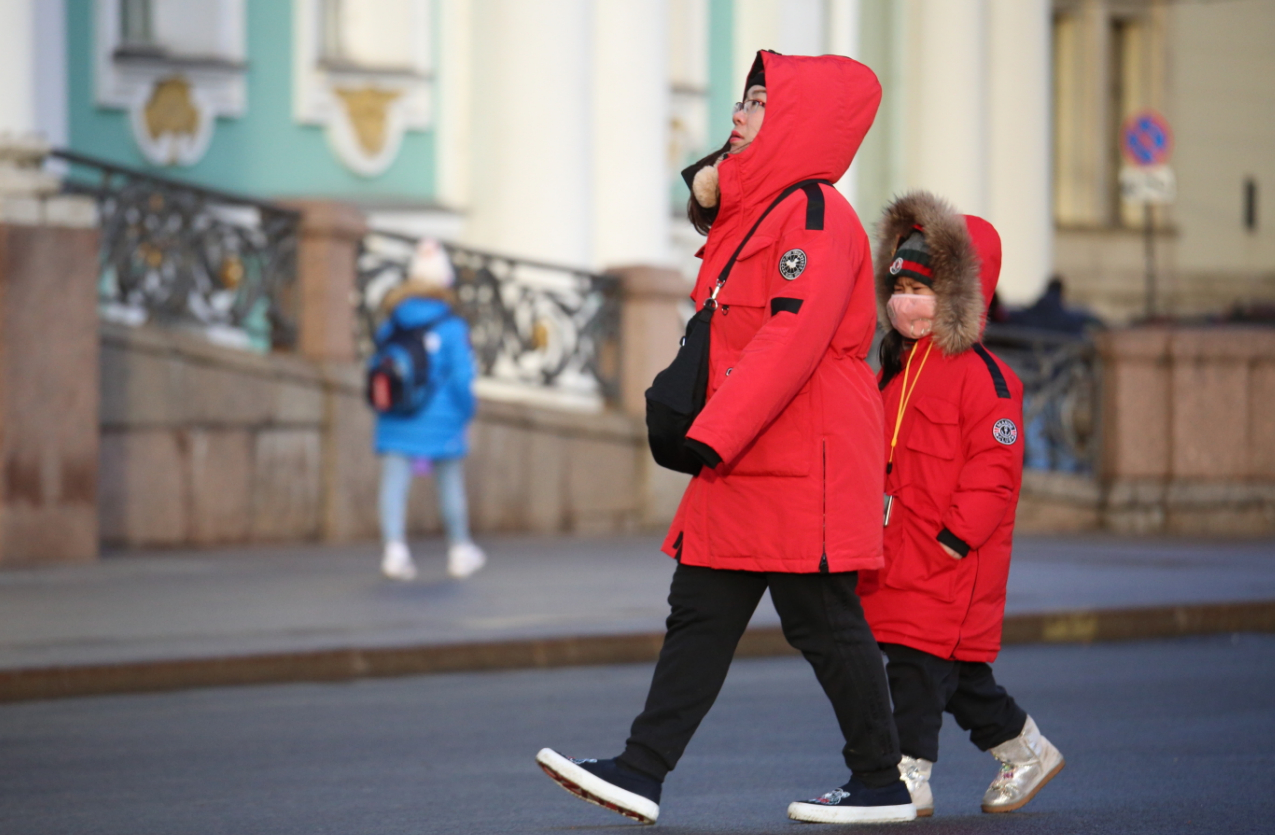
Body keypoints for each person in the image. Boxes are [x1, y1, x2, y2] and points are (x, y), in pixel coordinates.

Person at [536, 52, 916, 826]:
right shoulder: (774, 209)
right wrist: (718, 184)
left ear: (798, 120)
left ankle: (880, 779)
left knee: (823, 620)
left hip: (794, 453)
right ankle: (642, 769)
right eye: (742, 101)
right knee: (700, 612)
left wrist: (714, 430)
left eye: (757, 103)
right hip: (751, 454)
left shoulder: (813, 213)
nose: (737, 114)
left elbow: (791, 336)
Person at [860, 191, 1065, 817]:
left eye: (922, 289)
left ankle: (908, 775)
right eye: (900, 287)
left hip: (949, 561)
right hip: (897, 553)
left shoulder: (987, 378)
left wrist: (955, 537)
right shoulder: (896, 368)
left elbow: (994, 473)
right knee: (959, 681)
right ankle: (1027, 751)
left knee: (918, 671)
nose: (904, 301)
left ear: (960, 297)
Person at [373, 239, 486, 582]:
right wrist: (467, 412)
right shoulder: (452, 328)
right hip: (443, 420)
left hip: (396, 416)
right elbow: (462, 379)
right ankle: (459, 550)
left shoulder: (392, 323)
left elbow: (378, 365)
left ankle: (394, 551)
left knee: (394, 485)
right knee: (449, 485)